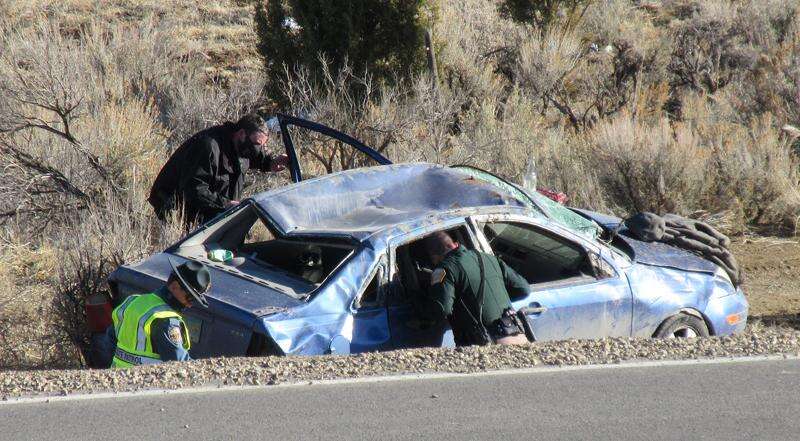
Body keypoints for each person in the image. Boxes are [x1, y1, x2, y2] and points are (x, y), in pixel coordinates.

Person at [148, 114, 290, 225]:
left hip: (209, 209)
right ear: (241, 134)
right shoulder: (208, 147)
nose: (258, 150)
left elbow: (254, 156)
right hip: (177, 209)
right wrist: (226, 204)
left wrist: (271, 162)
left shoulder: (239, 146)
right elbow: (193, 189)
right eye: (257, 144)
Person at [421, 231, 530, 346]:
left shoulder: (445, 269)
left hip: (482, 342)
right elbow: (524, 289)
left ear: (434, 256)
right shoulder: (490, 258)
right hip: (514, 333)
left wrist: (420, 310)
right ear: (455, 243)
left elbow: (442, 309)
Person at [103, 259, 211, 368]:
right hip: (147, 383)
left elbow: (109, 342)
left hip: (117, 380)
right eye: (190, 298)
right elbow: (180, 364)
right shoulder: (166, 319)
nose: (190, 305)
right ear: (174, 286)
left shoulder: (131, 302)